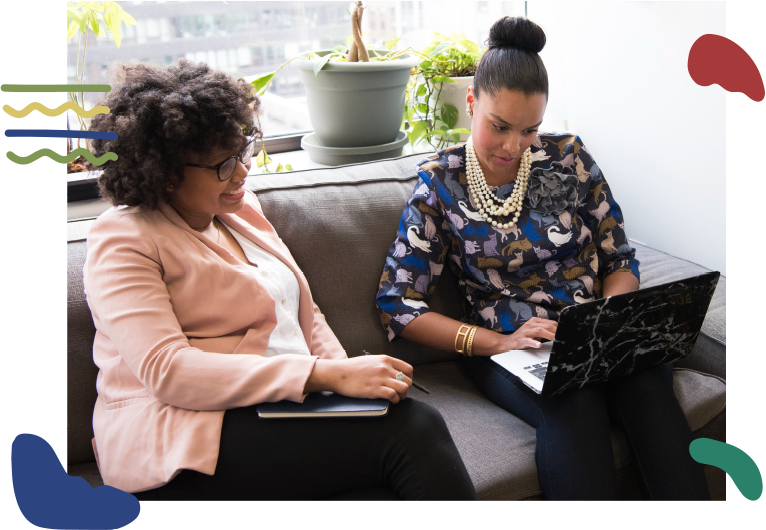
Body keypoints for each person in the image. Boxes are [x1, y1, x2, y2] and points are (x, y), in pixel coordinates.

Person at [82, 59, 477, 501]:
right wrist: (325, 376)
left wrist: (347, 374)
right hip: (178, 432)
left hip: (267, 410)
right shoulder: (123, 237)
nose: (243, 171)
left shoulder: (239, 210)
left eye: (243, 150)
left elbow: (305, 316)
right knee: (416, 430)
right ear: (167, 171)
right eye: (223, 163)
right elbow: (168, 371)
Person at [375, 16, 710, 501]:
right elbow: (398, 304)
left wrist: (608, 316)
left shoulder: (569, 158)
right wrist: (497, 342)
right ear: (472, 103)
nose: (514, 146)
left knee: (648, 387)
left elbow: (619, 258)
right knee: (571, 399)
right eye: (500, 126)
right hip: (510, 348)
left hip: (593, 332)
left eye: (529, 129)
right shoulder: (439, 184)